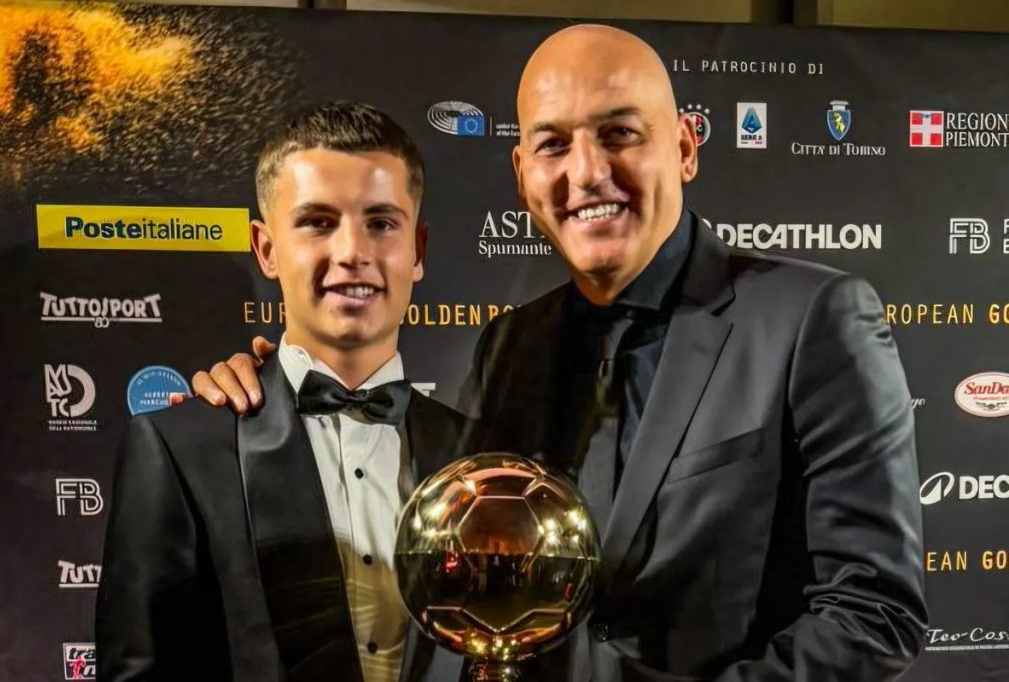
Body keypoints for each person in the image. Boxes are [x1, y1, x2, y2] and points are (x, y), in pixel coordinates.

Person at [192, 25, 927, 682]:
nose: (587, 172)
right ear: (522, 176)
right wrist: (272, 390)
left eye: (619, 133)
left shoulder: (812, 318)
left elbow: (873, 610)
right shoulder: (513, 345)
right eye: (553, 144)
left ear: (683, 148)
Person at [96, 102, 470, 682]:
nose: (352, 252)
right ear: (266, 249)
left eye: (381, 223)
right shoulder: (180, 449)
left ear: (417, 250)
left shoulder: (479, 454)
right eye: (318, 222)